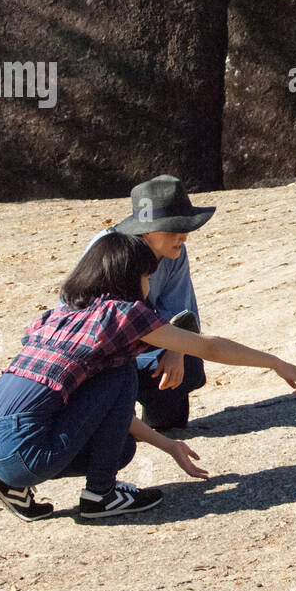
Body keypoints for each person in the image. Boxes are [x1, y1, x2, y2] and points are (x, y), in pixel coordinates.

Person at [0, 232, 296, 521]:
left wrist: (167, 445)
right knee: (122, 371)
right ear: (128, 278)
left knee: (121, 447)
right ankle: (101, 496)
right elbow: (206, 347)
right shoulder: (121, 314)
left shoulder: (57, 315)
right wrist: (275, 362)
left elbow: (103, 409)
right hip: (26, 451)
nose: (150, 284)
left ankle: (11, 485)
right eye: (147, 276)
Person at [93, 175, 213, 431]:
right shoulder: (110, 251)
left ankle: (150, 423)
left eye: (185, 227)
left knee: (189, 367)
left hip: (144, 342)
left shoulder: (175, 252)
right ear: (147, 232)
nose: (184, 236)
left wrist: (176, 351)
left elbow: (182, 313)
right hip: (101, 355)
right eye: (174, 228)